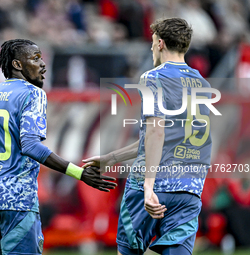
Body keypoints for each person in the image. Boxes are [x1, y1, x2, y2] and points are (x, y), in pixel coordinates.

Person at [0, 39, 116, 255]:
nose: (43, 64)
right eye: (36, 58)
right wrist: (79, 173)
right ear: (18, 65)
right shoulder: (32, 93)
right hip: (16, 196)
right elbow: (31, 146)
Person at [83, 18, 212, 255]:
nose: (152, 48)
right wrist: (111, 158)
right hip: (188, 188)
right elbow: (164, 139)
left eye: (152, 42)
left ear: (160, 43)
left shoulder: (153, 77)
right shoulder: (201, 83)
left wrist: (148, 186)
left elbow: (156, 130)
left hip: (153, 184)